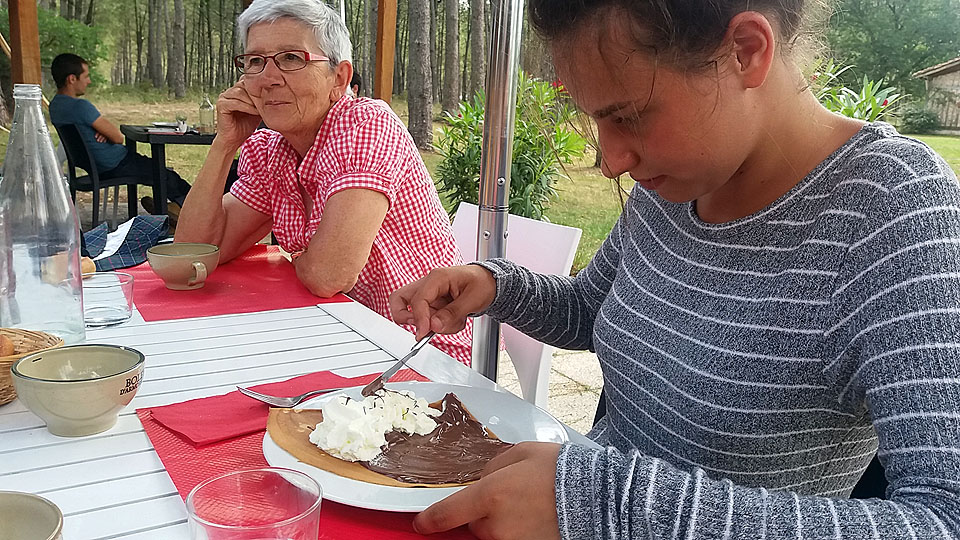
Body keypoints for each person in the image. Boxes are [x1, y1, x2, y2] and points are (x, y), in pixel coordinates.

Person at [390, 1, 960, 538]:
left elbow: (942, 517)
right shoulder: (675, 182)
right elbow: (594, 310)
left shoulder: (897, 212)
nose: (612, 161)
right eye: (596, 120)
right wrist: (495, 286)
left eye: (630, 116)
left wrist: (607, 507)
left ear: (745, 51)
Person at [175, 0, 472, 364]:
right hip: (341, 333)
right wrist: (224, 145)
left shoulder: (366, 126)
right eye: (255, 61)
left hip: (420, 348)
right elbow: (193, 254)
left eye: (291, 58)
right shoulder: (272, 149)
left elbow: (327, 276)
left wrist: (297, 258)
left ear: (340, 79)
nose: (268, 79)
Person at [49, 53, 192, 226]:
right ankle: (191, 212)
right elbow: (118, 137)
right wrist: (107, 134)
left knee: (159, 173)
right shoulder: (81, 106)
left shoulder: (56, 106)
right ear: (72, 79)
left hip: (94, 166)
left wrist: (101, 133)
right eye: (86, 76)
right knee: (166, 175)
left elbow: (92, 133)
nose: (89, 81)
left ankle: (170, 211)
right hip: (116, 164)